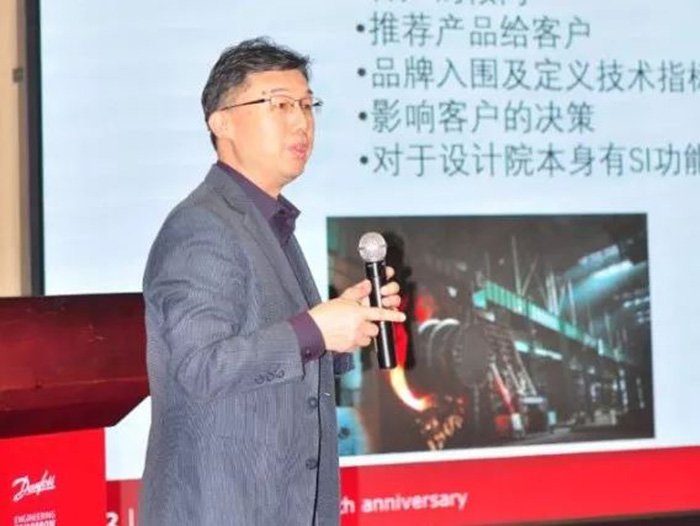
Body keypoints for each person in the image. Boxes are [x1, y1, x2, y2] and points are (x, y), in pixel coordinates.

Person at [138, 37, 405, 526]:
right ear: (221, 123)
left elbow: (277, 353)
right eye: (280, 105)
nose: (302, 122)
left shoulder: (267, 222)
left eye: (307, 105)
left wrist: (341, 326)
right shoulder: (202, 226)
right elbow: (200, 368)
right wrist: (315, 329)